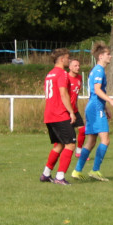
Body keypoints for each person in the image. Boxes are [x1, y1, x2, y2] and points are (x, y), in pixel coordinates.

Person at [73, 44, 113, 181]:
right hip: (95, 107)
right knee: (105, 140)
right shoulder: (99, 70)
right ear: (101, 56)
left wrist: (105, 108)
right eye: (108, 54)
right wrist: (111, 101)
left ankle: (77, 171)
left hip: (94, 106)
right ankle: (95, 170)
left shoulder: (96, 70)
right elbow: (97, 90)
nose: (110, 56)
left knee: (91, 141)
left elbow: (95, 93)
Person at [40, 48, 77, 185]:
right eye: (67, 58)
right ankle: (60, 177)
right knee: (71, 144)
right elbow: (63, 93)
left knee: (60, 144)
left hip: (49, 114)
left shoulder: (50, 74)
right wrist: (71, 112)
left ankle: (46, 174)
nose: (69, 60)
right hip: (59, 114)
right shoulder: (62, 73)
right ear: (62, 59)